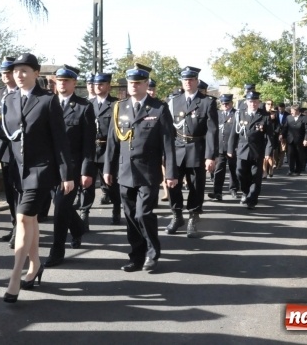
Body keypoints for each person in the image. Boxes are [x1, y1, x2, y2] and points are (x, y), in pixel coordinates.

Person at [0, 52, 73, 303]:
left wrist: (67, 174)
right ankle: (35, 266)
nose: (19, 75)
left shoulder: (47, 100)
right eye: (15, 71)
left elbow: (60, 140)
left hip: (41, 169)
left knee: (23, 218)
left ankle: (15, 277)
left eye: (25, 70)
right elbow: (2, 135)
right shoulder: (8, 100)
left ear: (36, 73)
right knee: (30, 221)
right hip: (17, 169)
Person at [104, 63, 177, 272]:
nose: (133, 87)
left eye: (138, 83)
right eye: (130, 83)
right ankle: (136, 256)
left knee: (143, 214)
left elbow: (168, 145)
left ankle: (152, 252)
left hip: (148, 173)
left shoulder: (158, 108)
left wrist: (170, 173)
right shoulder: (119, 107)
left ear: (146, 84)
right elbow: (112, 143)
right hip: (125, 172)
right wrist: (108, 169)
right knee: (130, 218)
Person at [45, 65, 95, 268]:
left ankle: (57, 251)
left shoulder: (84, 107)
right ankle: (78, 228)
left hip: (73, 167)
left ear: (74, 83)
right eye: (59, 80)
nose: (62, 84)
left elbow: (88, 143)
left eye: (66, 80)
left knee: (60, 208)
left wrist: (86, 170)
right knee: (60, 205)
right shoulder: (47, 103)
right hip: (49, 166)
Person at [165, 66, 218, 237]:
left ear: (196, 81)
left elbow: (212, 131)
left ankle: (193, 217)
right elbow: (167, 130)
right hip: (177, 149)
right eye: (185, 79)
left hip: (197, 149)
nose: (188, 82)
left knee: (196, 186)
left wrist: (210, 156)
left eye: (191, 79)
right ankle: (176, 215)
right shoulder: (173, 102)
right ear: (182, 81)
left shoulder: (207, 102)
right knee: (172, 183)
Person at [80, 72, 121, 224]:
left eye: (102, 84)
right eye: (96, 84)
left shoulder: (116, 105)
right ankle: (84, 213)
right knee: (86, 183)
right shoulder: (87, 104)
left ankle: (116, 208)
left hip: (107, 150)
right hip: (91, 150)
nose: (98, 86)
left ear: (108, 86)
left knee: (111, 184)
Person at [0, 57, 19, 248]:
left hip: (21, 151)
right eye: (2, 72)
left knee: (19, 192)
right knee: (9, 192)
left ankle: (20, 230)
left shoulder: (24, 93)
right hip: (5, 152)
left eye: (8, 72)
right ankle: (15, 224)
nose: (5, 76)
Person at [234, 90, 274, 210]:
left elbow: (270, 137)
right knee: (240, 173)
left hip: (257, 151)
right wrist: (230, 149)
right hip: (242, 150)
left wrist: (268, 153)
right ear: (247, 102)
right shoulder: (239, 114)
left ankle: (252, 199)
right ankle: (245, 191)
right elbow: (233, 134)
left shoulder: (264, 116)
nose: (253, 104)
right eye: (251, 102)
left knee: (256, 176)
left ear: (258, 102)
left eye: (255, 102)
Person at [208, 93, 239, 201]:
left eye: (227, 103)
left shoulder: (236, 114)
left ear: (231, 103)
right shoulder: (217, 114)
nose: (225, 105)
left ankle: (234, 189)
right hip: (220, 147)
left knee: (233, 170)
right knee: (218, 170)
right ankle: (217, 192)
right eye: (223, 103)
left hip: (233, 147)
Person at [285, 104, 307, 175]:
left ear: (297, 111)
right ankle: (291, 169)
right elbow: (285, 127)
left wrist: (306, 139)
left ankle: (298, 170)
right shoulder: (289, 118)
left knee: (299, 155)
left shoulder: (305, 118)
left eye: (292, 111)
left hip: (300, 140)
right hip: (290, 140)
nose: (291, 112)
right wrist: (281, 135)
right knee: (290, 155)